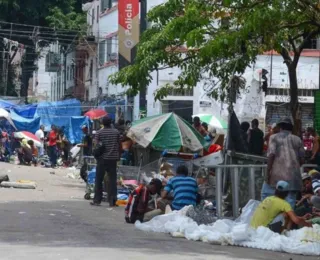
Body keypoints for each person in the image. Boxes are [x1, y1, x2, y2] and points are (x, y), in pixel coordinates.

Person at [263, 118, 305, 208]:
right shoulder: (298, 139)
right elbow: (302, 160)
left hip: (277, 177)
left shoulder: (273, 137)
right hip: (294, 177)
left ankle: (276, 221)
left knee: (272, 201)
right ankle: (288, 221)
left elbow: (271, 156)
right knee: (290, 203)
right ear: (291, 128)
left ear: (280, 127)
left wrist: (267, 173)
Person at [91, 116, 121, 207]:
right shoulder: (116, 132)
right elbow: (119, 144)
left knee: (99, 180)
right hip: (113, 159)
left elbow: (96, 145)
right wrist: (118, 154)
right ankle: (112, 201)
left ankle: (97, 200)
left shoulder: (99, 132)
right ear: (111, 122)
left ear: (102, 123)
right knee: (112, 180)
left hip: (102, 159)